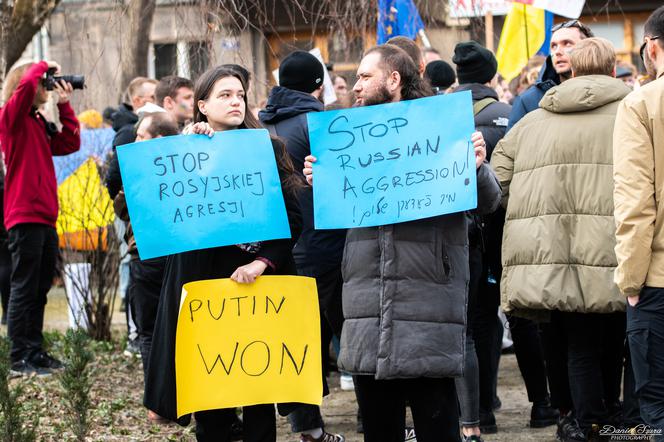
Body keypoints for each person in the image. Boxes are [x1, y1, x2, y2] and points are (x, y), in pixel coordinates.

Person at [303, 44, 501, 442]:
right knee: (379, 429)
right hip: (366, 306)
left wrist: (477, 167)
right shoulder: (346, 140)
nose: (355, 86)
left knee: (436, 426)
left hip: (427, 304)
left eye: (364, 76)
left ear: (393, 80)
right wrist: (321, 179)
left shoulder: (442, 131)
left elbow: (488, 201)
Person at [143, 65, 302, 441]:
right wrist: (186, 150)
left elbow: (292, 219)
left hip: (256, 288)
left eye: (239, 95)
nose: (235, 101)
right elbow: (166, 214)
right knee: (210, 396)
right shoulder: (187, 153)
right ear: (202, 105)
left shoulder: (269, 147)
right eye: (224, 95)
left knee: (259, 392)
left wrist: (262, 262)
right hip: (203, 290)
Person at [491, 37, 631, 441]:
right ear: (610, 70)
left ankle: (582, 422)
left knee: (575, 342)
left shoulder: (531, 121)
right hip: (615, 250)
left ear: (570, 70)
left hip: (548, 253)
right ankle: (606, 418)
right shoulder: (633, 113)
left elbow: (494, 184)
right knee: (614, 338)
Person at [259, 50, 345, 442]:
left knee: (296, 338)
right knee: (345, 330)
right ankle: (374, 415)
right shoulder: (321, 124)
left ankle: (307, 426)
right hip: (322, 244)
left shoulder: (259, 124)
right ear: (318, 84)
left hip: (275, 250)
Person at [0, 60, 81, 376]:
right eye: (44, 81)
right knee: (24, 285)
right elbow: (23, 86)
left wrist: (65, 105)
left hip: (45, 216)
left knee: (40, 287)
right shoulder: (11, 118)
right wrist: (43, 64)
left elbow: (70, 142)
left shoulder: (35, 122)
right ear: (27, 84)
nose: (47, 85)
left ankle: (34, 351)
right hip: (23, 214)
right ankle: (19, 356)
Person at [451, 41, 513, 442]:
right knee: (485, 322)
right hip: (497, 233)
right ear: (491, 76)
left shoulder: (434, 116)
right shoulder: (510, 114)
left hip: (458, 235)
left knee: (462, 331)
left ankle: (467, 414)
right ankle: (484, 407)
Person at [613, 6, 664, 439]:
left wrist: (630, 280)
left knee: (659, 404)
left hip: (658, 280)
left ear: (651, 47)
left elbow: (635, 204)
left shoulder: (641, 103)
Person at [112, 112, 179, 423]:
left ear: (160, 139)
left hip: (151, 257)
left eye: (141, 136)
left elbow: (122, 207)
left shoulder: (143, 170)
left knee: (150, 330)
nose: (135, 142)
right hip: (169, 256)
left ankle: (158, 404)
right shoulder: (186, 164)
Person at [508, 20, 594, 131]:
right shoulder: (528, 101)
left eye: (567, 44)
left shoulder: (607, 92)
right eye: (553, 46)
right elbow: (511, 146)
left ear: (588, 48)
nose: (558, 51)